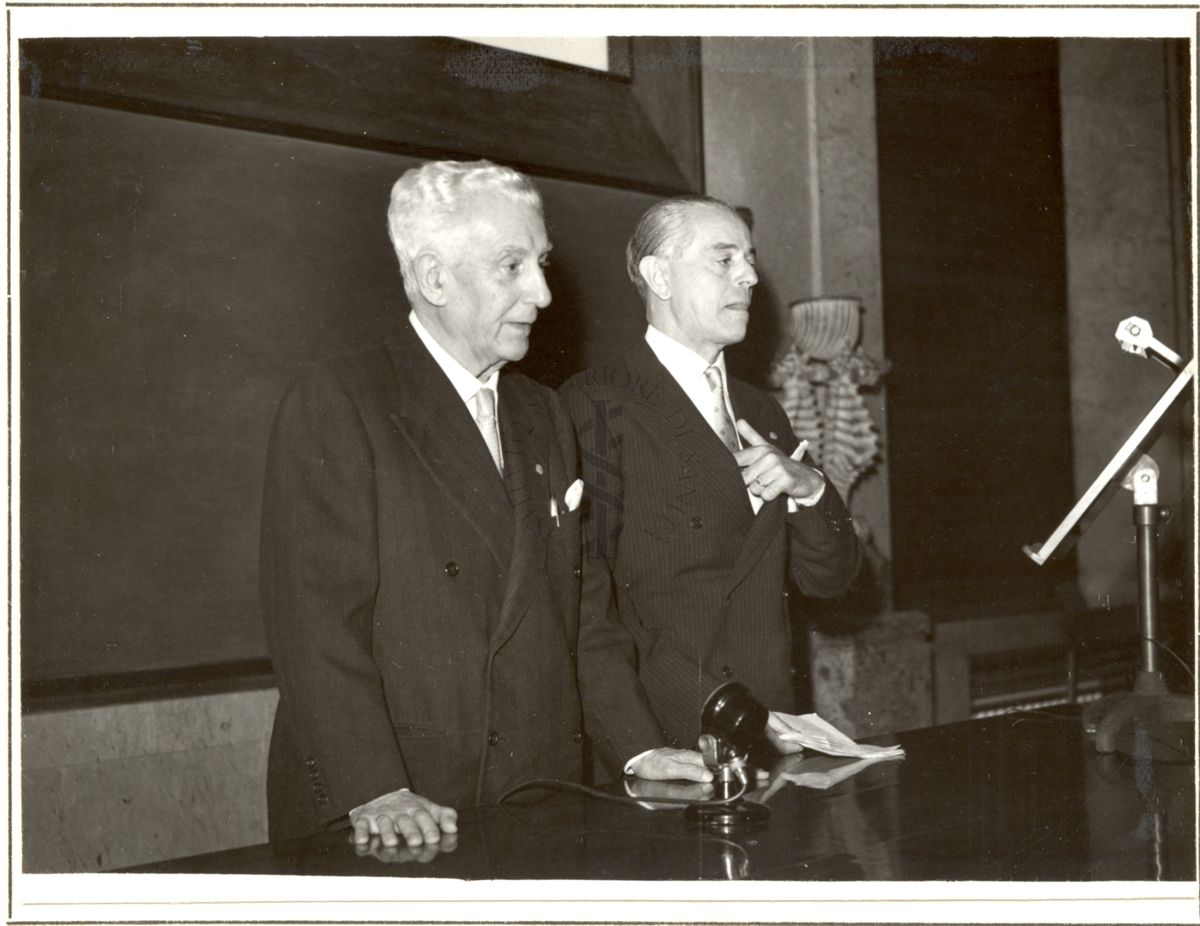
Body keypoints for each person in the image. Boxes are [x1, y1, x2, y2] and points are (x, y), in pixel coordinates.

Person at [259, 160, 586, 851]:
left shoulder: (544, 414)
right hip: (396, 805)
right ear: (435, 277)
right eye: (512, 266)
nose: (544, 292)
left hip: (535, 796)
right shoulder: (342, 400)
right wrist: (375, 788)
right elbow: (315, 621)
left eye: (542, 262)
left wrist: (644, 753)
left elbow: (586, 618)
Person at [561, 195, 862, 783]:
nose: (749, 276)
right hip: (668, 740)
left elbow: (831, 579)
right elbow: (586, 603)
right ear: (659, 275)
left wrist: (808, 486)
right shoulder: (596, 402)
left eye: (749, 259)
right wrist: (640, 746)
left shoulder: (761, 408)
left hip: (772, 739)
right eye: (724, 260)